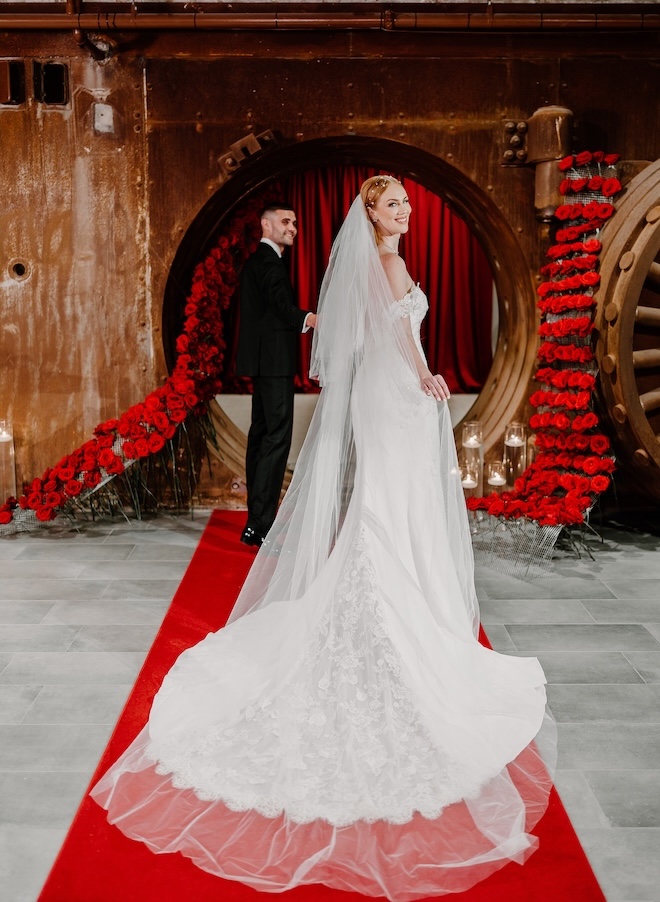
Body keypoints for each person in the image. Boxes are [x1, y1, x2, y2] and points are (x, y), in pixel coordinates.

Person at [92, 176, 555, 901]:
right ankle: (395, 607)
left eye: (407, 203)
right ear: (371, 212)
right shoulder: (389, 263)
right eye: (393, 205)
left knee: (386, 502)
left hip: (381, 392)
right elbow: (400, 336)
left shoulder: (377, 262)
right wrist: (430, 377)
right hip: (395, 392)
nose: (404, 212)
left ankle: (395, 595)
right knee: (389, 503)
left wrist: (416, 375)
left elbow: (367, 335)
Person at [235, 202, 316, 547]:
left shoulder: (259, 260)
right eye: (285, 221)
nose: (292, 228)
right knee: (275, 439)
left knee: (262, 436)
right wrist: (311, 319)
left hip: (262, 363)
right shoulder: (270, 262)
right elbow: (281, 307)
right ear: (266, 225)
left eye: (294, 222)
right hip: (273, 363)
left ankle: (256, 521)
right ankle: (261, 523)